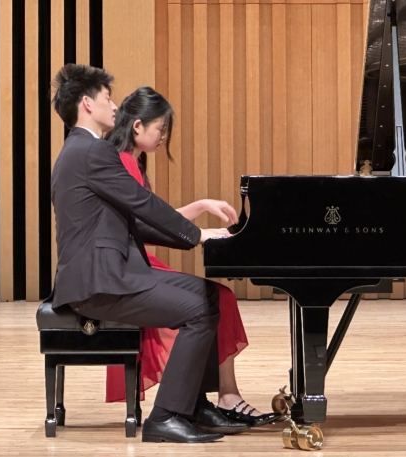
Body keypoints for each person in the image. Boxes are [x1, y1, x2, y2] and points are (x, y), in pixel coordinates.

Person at [50, 63, 249, 443]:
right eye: (107, 98)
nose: (114, 106)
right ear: (87, 103)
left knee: (209, 296)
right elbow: (143, 204)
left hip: (107, 274)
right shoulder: (93, 151)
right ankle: (166, 416)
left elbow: (134, 224)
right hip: (101, 282)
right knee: (199, 308)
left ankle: (192, 404)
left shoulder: (78, 151)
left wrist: (198, 237)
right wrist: (197, 235)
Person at [104, 86, 279, 427]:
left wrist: (200, 208)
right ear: (138, 126)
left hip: (136, 261)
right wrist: (201, 232)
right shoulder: (123, 161)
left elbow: (150, 218)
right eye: (160, 129)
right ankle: (222, 397)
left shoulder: (129, 159)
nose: (163, 138)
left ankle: (211, 397)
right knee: (218, 298)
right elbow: (146, 224)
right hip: (133, 265)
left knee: (219, 298)